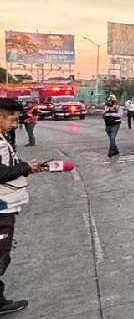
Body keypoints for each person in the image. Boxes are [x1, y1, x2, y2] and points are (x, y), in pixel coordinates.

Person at [0, 98, 43, 314]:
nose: (15, 124)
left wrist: (26, 168)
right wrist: (24, 167)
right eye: (13, 120)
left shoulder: (3, 137)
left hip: (6, 205)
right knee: (0, 256)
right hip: (1, 208)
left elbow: (7, 166)